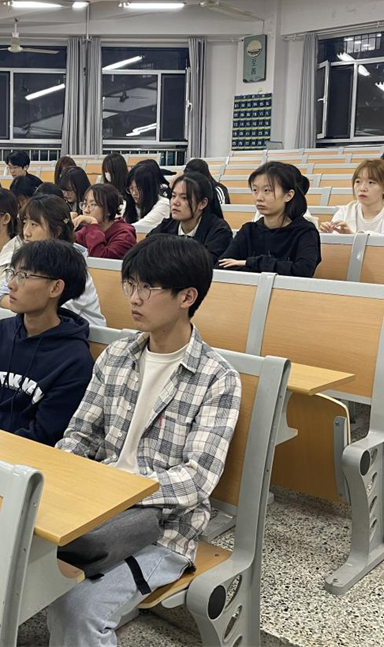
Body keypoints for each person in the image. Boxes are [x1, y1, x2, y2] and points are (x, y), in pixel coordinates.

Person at [48, 235, 241, 647]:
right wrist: (65, 483)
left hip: (163, 531)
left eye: (148, 288)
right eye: (130, 285)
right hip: (91, 511)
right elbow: (79, 435)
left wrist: (119, 492)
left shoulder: (217, 378)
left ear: (187, 296)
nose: (134, 298)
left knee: (78, 608)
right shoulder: (117, 355)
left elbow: (196, 479)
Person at [0, 240, 93, 445]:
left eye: (24, 276)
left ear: (55, 288)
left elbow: (44, 434)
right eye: (12, 273)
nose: (11, 285)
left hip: (21, 458)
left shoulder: (75, 360)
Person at [0, 195, 106, 327]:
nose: (26, 232)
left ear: (56, 231)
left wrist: (20, 302)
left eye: (34, 225)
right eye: (25, 223)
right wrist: (25, 304)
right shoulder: (26, 259)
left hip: (82, 335)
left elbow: (50, 313)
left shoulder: (72, 268)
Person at [219, 161, 321, 277]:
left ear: (288, 195)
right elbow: (221, 266)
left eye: (267, 190)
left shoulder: (305, 232)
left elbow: (303, 271)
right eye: (255, 190)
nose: (259, 198)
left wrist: (250, 263)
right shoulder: (248, 230)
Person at [150, 173, 233, 260]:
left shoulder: (219, 231)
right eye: (173, 196)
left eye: (184, 198)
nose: (175, 202)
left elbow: (206, 262)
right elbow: (146, 251)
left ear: (202, 203)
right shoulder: (166, 226)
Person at [320, 159, 384, 237]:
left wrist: (352, 236)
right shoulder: (344, 212)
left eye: (371, 182)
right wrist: (329, 232)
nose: (362, 188)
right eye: (358, 181)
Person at [73, 183, 137, 259]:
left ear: (108, 210)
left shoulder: (125, 235)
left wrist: (93, 224)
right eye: (85, 204)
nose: (86, 210)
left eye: (93, 204)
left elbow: (100, 261)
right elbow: (70, 247)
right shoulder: (87, 230)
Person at [124, 161, 171, 227]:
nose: (134, 193)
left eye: (139, 189)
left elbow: (139, 227)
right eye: (131, 188)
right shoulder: (130, 204)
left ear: (149, 188)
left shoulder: (163, 205)